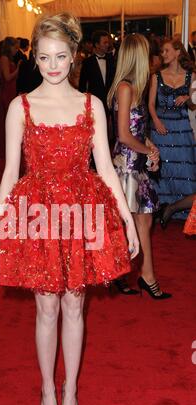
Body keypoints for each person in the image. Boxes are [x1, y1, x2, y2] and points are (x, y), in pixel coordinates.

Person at [0, 13, 139, 405]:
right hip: (37, 213)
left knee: (75, 303)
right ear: (34, 60)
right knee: (46, 306)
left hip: (82, 212)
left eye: (60, 56)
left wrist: (126, 220)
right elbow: (10, 170)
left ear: (74, 56)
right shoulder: (20, 106)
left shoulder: (91, 105)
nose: (52, 65)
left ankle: (70, 388)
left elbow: (107, 169)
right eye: (43, 57)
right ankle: (46, 391)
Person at [107, 33, 171, 300]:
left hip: (136, 164)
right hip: (126, 166)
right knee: (131, 222)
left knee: (143, 220)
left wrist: (150, 147)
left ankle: (140, 274)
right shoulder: (125, 88)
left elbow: (136, 128)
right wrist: (147, 150)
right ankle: (135, 274)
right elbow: (122, 134)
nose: (151, 57)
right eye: (146, 52)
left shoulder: (134, 86)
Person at [149, 38, 196, 220]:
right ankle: (161, 207)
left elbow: (193, 105)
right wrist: (156, 121)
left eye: (167, 50)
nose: (163, 54)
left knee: (184, 167)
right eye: (162, 52)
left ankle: (181, 210)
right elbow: (151, 104)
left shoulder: (191, 76)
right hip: (161, 128)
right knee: (163, 168)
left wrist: (187, 97)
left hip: (182, 128)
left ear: (178, 52)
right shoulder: (156, 76)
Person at [79, 30, 115, 118]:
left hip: (111, 102)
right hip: (95, 103)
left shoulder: (112, 60)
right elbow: (82, 85)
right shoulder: (87, 63)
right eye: (105, 42)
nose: (108, 45)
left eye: (108, 42)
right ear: (97, 44)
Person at [0, 37, 21, 157]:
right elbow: (7, 77)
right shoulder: (4, 58)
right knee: (8, 120)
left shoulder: (8, 58)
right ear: (9, 47)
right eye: (15, 47)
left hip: (12, 90)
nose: (17, 50)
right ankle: (7, 148)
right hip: (7, 92)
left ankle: (11, 147)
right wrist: (18, 69)